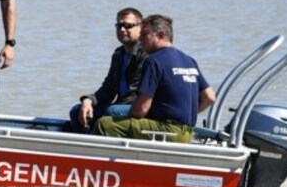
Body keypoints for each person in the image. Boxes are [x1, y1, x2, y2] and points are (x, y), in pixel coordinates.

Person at [93, 14, 217, 143]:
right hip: (187, 132)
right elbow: (209, 97)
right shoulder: (189, 60)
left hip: (168, 132)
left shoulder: (154, 61)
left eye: (144, 34)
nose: (140, 39)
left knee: (105, 124)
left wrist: (127, 119)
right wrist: (183, 114)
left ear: (161, 35)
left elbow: (141, 109)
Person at [68, 7, 147, 133]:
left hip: (136, 108)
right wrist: (88, 100)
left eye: (128, 26)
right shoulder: (118, 54)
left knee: (110, 112)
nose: (122, 29)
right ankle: (89, 145)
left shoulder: (146, 55)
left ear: (141, 27)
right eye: (119, 25)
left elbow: (134, 94)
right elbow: (108, 89)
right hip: (119, 106)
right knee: (77, 111)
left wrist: (113, 108)